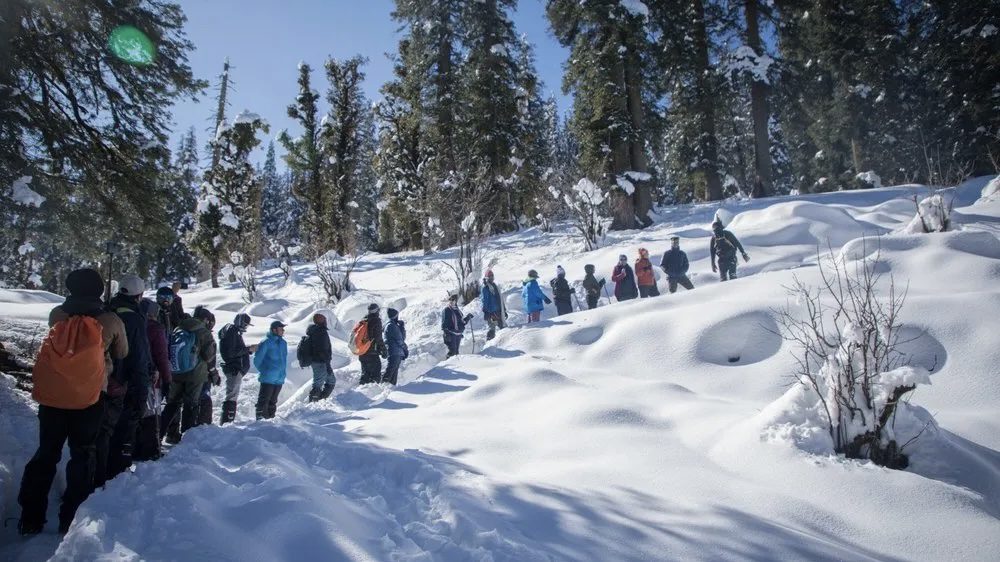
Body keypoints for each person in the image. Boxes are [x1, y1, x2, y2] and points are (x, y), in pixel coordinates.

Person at [17, 269, 127, 535]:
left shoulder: (58, 314)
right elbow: (122, 352)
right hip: (90, 398)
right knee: (83, 453)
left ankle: (31, 518)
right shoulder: (110, 320)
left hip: (53, 398)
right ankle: (71, 518)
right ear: (100, 290)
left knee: (46, 454)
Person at [103, 275, 153, 486]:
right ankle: (117, 478)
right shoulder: (134, 318)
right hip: (125, 383)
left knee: (104, 431)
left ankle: (99, 474)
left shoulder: (107, 310)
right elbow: (139, 357)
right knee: (124, 430)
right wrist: (142, 391)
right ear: (139, 295)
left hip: (101, 379)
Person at [160, 305, 215, 442]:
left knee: (172, 404)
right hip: (195, 374)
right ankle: (186, 439)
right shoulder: (203, 331)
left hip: (176, 371)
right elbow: (208, 356)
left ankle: (158, 435)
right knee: (191, 405)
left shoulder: (179, 327)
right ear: (206, 320)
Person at [132, 298, 171, 462]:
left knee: (134, 413)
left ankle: (132, 448)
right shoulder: (155, 329)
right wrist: (167, 379)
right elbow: (162, 356)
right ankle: (149, 450)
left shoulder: (133, 324)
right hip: (151, 376)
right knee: (151, 412)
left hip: (130, 374)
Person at [218, 313, 256, 423]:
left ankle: (228, 421)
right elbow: (231, 352)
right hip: (234, 368)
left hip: (236, 368)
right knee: (231, 396)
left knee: (232, 396)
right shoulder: (232, 331)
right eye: (245, 324)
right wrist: (248, 349)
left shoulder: (234, 332)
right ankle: (226, 422)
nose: (245, 327)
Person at [254, 321, 288, 419]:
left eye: (283, 329)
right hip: (268, 378)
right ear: (274, 330)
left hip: (279, 378)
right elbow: (257, 360)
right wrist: (266, 371)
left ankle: (270, 423)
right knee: (263, 401)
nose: (283, 330)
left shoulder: (283, 343)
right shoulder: (266, 342)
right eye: (281, 329)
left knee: (273, 402)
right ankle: (260, 423)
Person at [192, 306, 220, 426]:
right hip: (201, 374)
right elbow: (209, 358)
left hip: (184, 372)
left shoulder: (186, 330)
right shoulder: (205, 334)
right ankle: (203, 427)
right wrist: (214, 374)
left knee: (189, 403)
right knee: (204, 400)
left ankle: (185, 429)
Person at [305, 314, 335, 401]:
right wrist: (327, 364)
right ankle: (313, 403)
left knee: (330, 381)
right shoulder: (320, 332)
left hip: (318, 361)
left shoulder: (315, 331)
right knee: (318, 384)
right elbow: (322, 350)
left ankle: (320, 401)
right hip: (320, 362)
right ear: (321, 321)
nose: (326, 321)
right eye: (324, 319)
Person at [358, 304, 387, 384]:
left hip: (362, 351)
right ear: (376, 310)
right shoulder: (376, 321)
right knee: (375, 374)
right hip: (372, 353)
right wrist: (384, 350)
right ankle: (374, 393)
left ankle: (361, 393)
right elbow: (378, 338)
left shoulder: (364, 319)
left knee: (365, 374)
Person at [383, 308, 408, 385]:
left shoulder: (393, 325)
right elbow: (400, 340)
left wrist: (401, 327)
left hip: (396, 352)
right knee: (390, 371)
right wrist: (405, 349)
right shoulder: (391, 326)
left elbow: (402, 338)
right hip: (394, 352)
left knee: (394, 372)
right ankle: (383, 386)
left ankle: (390, 387)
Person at [480, 270, 506, 340]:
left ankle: (504, 342)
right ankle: (489, 345)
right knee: (492, 328)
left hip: (498, 311)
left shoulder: (495, 286)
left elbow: (500, 298)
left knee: (502, 327)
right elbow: (485, 300)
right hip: (490, 312)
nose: (491, 278)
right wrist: (486, 311)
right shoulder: (485, 288)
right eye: (489, 276)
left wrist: (504, 310)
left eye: (492, 276)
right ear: (486, 278)